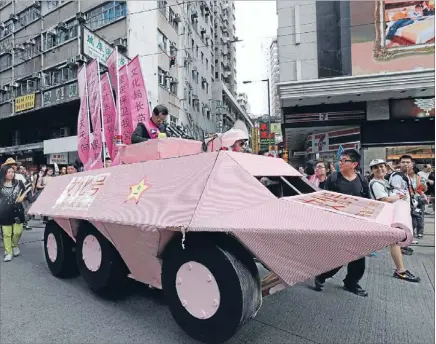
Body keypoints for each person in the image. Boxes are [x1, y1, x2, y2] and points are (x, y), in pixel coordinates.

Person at [314, 149, 369, 297]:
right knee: (339, 255)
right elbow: (324, 201)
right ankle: (321, 276)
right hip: (337, 224)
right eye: (340, 160)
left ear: (354, 164)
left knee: (359, 256)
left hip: (357, 225)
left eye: (344, 160)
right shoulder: (333, 178)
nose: (340, 162)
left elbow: (369, 203)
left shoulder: (362, 180)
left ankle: (351, 283)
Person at [368, 159, 420, 283]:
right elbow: (384, 198)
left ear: (385, 168)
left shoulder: (384, 181)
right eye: (376, 168)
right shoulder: (375, 183)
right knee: (395, 242)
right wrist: (399, 196)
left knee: (393, 241)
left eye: (381, 166)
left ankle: (400, 269)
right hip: (383, 216)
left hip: (387, 216)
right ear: (372, 171)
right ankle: (400, 271)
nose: (379, 169)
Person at [0, 165, 28, 262]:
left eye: (12, 172)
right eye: (8, 172)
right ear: (4, 173)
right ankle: (8, 252)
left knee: (18, 231)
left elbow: (25, 194)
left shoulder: (19, 183)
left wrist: (22, 198)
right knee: (6, 234)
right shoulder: (0, 184)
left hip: (17, 211)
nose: (11, 174)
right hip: (4, 211)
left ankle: (14, 245)